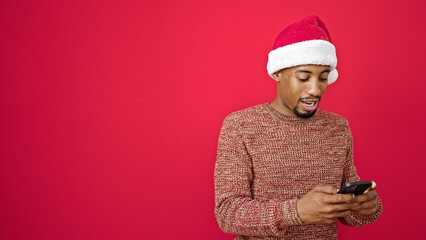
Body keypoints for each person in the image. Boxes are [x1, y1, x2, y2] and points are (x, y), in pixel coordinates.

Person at [214, 15, 382, 240]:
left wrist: (364, 207)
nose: (315, 90)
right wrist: (296, 211)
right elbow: (228, 213)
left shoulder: (338, 127)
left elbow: (346, 210)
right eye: (304, 78)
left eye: (323, 78)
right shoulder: (240, 126)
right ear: (277, 73)